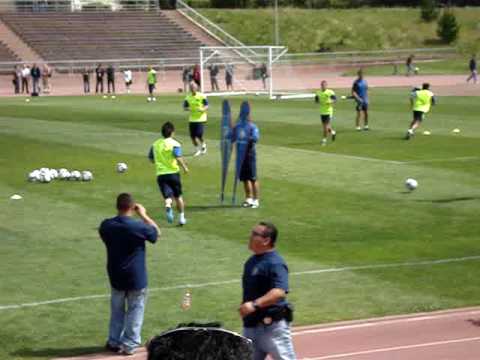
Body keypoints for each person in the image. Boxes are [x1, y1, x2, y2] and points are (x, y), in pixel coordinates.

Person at [99, 193, 160, 356]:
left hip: (115, 275)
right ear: (132, 207)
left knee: (117, 310)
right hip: (136, 276)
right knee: (135, 310)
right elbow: (156, 233)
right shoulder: (138, 226)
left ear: (117, 206)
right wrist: (144, 215)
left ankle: (113, 341)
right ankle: (129, 344)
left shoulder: (106, 225)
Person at [239, 222, 296, 360]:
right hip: (251, 327)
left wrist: (254, 305)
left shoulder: (275, 263)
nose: (250, 237)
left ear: (266, 240)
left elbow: (279, 291)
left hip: (272, 329)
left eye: (254, 234)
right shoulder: (251, 261)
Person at [148, 122, 189, 225]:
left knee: (168, 197)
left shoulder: (155, 144)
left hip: (161, 175)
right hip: (173, 174)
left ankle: (168, 205)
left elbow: (151, 159)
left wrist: (160, 162)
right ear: (172, 132)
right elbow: (177, 156)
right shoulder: (175, 144)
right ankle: (181, 218)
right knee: (178, 196)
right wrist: (184, 167)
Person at [231, 102, 260, 209]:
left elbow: (255, 138)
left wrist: (246, 138)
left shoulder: (252, 127)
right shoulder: (237, 127)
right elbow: (232, 138)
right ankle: (248, 198)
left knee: (253, 178)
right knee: (244, 178)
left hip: (249, 155)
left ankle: (256, 200)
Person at [183, 82, 208, 156]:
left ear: (196, 88)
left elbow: (207, 105)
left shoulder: (202, 96)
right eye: (191, 87)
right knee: (192, 136)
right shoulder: (187, 98)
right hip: (192, 119)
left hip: (201, 118)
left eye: (193, 87)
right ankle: (197, 149)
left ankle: (203, 144)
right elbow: (184, 107)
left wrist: (203, 109)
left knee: (199, 134)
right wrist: (188, 108)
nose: (192, 89)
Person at [314, 80, 337, 146]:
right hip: (322, 112)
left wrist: (330, 102)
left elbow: (335, 100)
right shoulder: (318, 92)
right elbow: (316, 100)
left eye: (324, 85)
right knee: (326, 127)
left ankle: (324, 140)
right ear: (321, 86)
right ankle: (333, 132)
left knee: (325, 127)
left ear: (326, 85)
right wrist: (318, 101)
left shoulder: (330, 92)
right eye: (322, 85)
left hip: (328, 111)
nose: (323, 86)